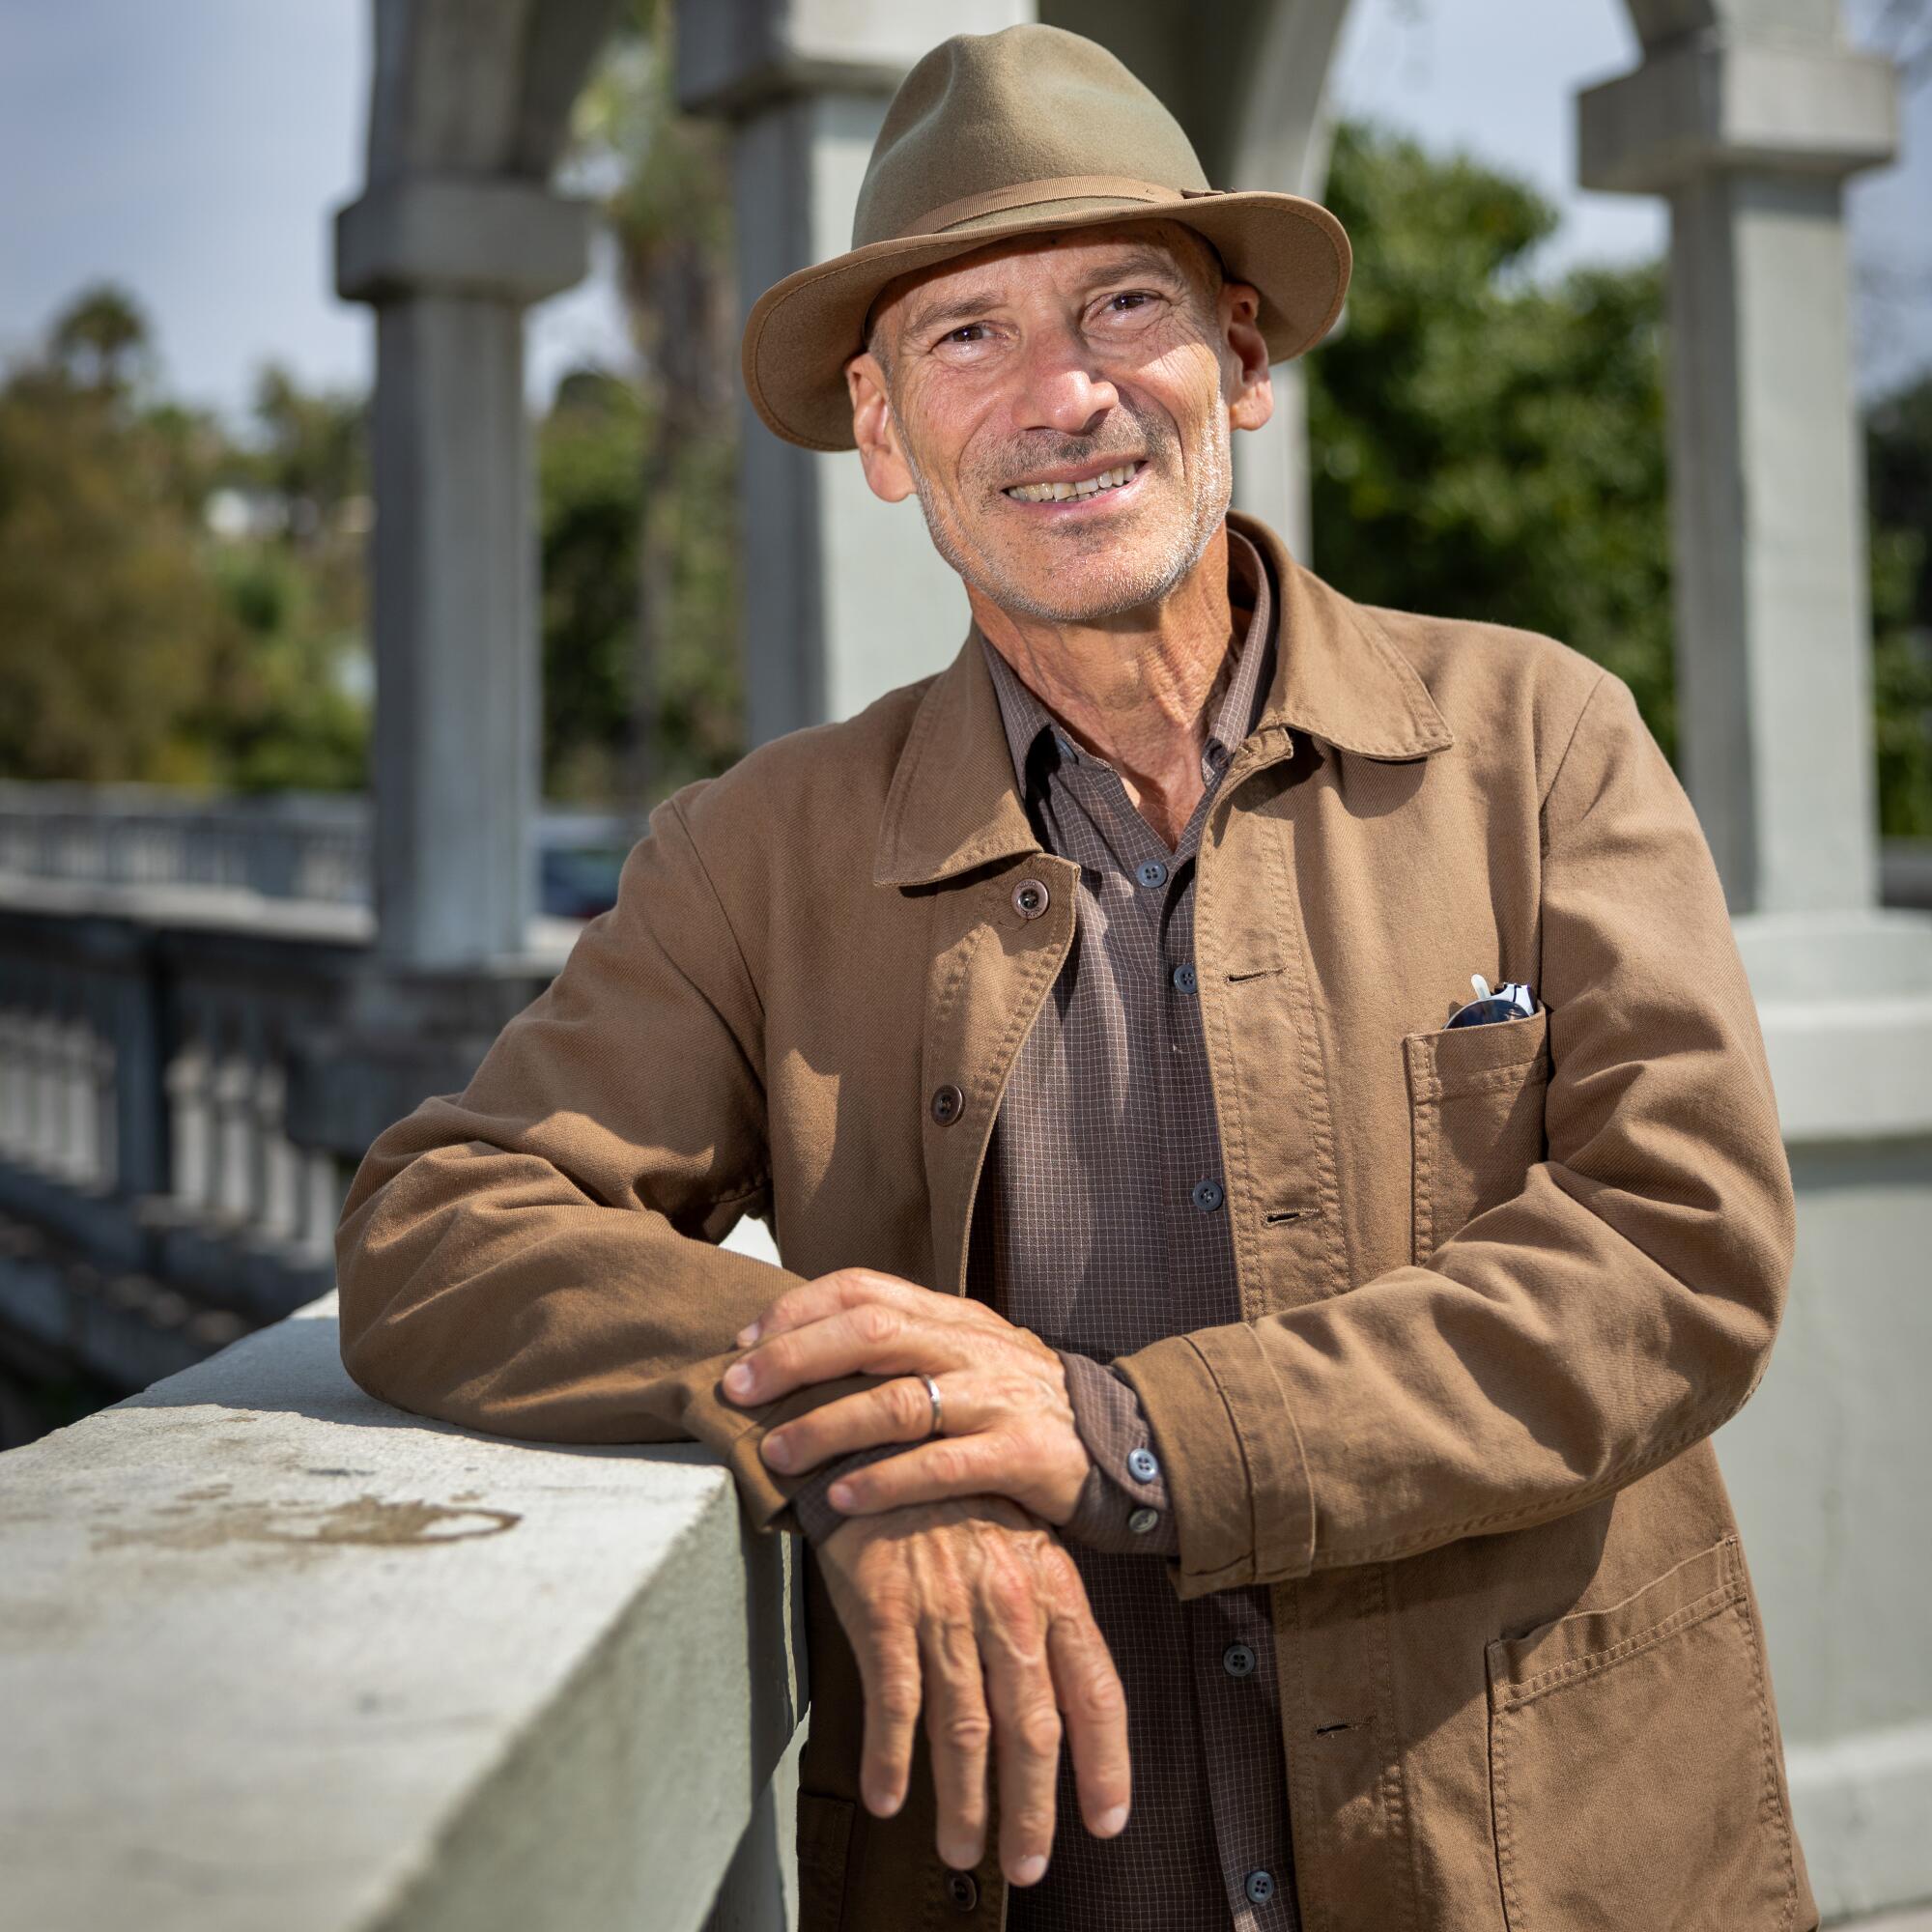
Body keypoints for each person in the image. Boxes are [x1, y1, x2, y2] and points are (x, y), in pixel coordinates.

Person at [334, 23, 1817, 1932]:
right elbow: (439, 1226)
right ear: (883, 435)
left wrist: (1125, 1435)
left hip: (1533, 1862)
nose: (1061, 396)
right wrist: (875, 1430)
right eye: (966, 336)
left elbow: (1680, 1248)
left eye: (1124, 304)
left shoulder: (1536, 741)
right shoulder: (756, 848)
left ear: (1242, 359)